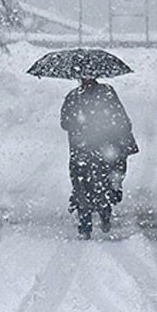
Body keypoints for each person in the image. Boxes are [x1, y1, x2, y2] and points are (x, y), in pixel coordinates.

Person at [61, 77, 137, 239]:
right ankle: (104, 215)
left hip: (81, 150)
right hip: (104, 149)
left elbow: (65, 123)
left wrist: (81, 125)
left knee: (82, 185)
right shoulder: (107, 93)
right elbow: (121, 119)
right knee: (103, 183)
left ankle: (85, 225)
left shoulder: (73, 96)